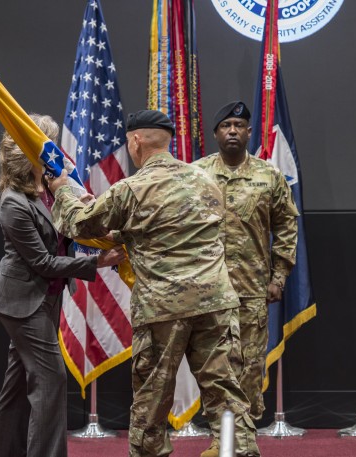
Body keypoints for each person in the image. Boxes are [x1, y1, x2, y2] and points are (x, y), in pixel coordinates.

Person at [48, 109, 260, 457]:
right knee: (225, 392)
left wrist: (61, 190)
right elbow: (180, 229)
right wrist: (128, 232)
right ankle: (236, 452)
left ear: (135, 141)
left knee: (153, 398)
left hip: (164, 308)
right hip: (217, 304)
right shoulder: (207, 180)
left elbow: (82, 225)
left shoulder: (132, 188)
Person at [0, 114, 124, 457]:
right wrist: (97, 262)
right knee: (51, 381)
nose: (55, 151)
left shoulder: (51, 186)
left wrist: (86, 207)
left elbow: (71, 224)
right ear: (30, 153)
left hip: (45, 298)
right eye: (46, 144)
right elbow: (44, 264)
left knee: (17, 386)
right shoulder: (13, 203)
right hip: (21, 302)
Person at [194, 101, 299, 457]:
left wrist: (279, 276)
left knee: (250, 372)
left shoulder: (268, 176)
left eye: (239, 125)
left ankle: (244, 440)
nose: (233, 131)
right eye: (226, 126)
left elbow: (287, 225)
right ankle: (219, 440)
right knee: (214, 370)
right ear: (216, 133)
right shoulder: (197, 174)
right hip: (208, 294)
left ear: (250, 132)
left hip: (253, 294)